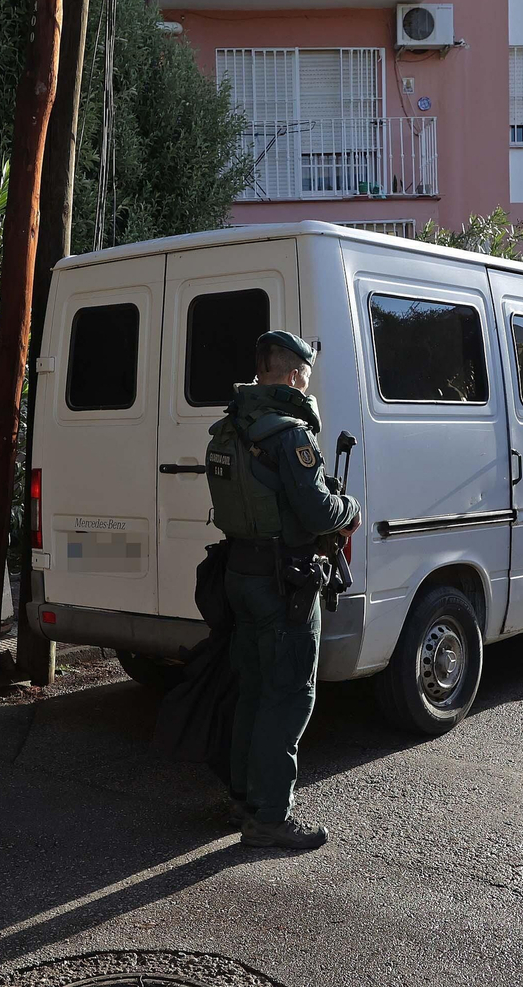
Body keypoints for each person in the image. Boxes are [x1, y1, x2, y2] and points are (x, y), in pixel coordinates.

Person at [206, 330, 360, 850]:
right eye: (305, 376)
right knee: (290, 694)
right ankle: (270, 815)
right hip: (283, 582)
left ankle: (245, 797)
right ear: (294, 374)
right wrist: (349, 509)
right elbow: (317, 511)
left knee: (253, 687)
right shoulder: (289, 434)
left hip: (240, 576)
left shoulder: (229, 427)